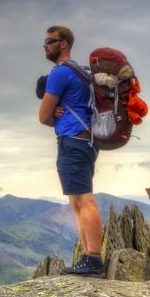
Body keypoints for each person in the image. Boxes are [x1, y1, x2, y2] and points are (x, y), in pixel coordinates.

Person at [38, 25, 104, 276]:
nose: (45, 45)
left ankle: (94, 259)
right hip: (85, 141)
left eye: (49, 41)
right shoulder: (81, 73)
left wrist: (53, 113)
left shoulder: (60, 73)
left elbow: (43, 116)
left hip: (73, 141)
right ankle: (88, 257)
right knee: (77, 201)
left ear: (63, 43)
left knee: (84, 200)